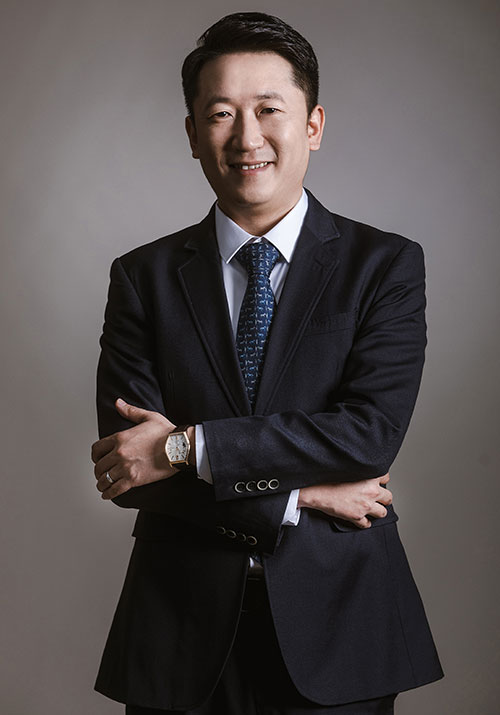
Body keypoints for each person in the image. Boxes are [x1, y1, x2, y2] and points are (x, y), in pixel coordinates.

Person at [91, 12, 443, 715]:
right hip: (178, 629)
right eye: (221, 114)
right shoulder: (142, 277)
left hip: (342, 622)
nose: (247, 137)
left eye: (268, 110)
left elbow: (368, 436)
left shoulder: (384, 266)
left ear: (313, 125)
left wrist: (187, 447)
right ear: (193, 134)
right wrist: (301, 498)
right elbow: (127, 469)